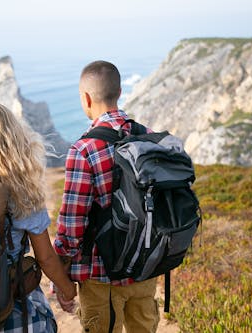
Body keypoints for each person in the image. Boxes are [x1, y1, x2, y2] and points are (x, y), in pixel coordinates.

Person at [0, 101, 77, 332]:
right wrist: (67, 290)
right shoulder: (22, 193)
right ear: (13, 139)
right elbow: (46, 258)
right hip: (11, 303)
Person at [53, 61, 160, 332]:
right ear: (120, 92)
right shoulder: (149, 138)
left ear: (86, 99)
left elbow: (72, 227)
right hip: (145, 268)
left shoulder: (84, 150)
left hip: (102, 277)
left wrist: (61, 276)